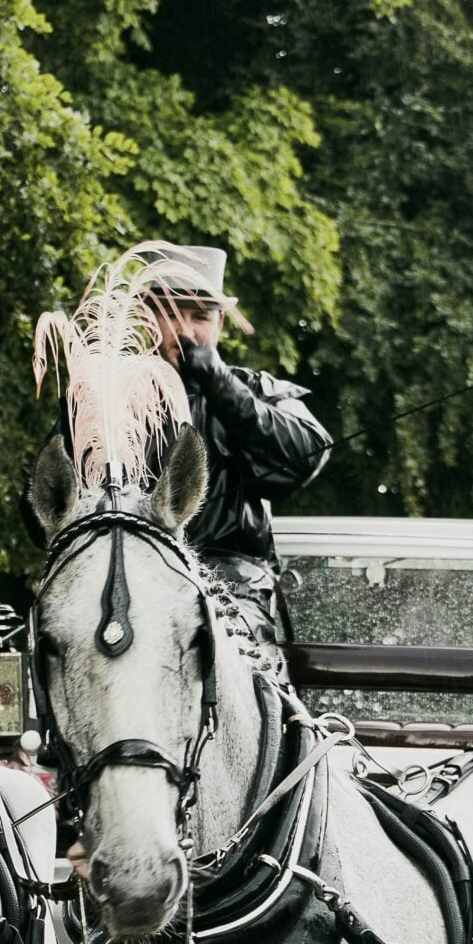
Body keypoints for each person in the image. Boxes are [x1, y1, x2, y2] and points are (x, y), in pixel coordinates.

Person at [141, 244, 332, 664]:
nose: (186, 331)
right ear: (146, 317)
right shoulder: (109, 399)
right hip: (132, 576)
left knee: (242, 660)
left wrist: (220, 384)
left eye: (199, 317)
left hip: (233, 585)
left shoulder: (258, 390)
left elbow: (308, 454)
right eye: (172, 314)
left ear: (220, 323)